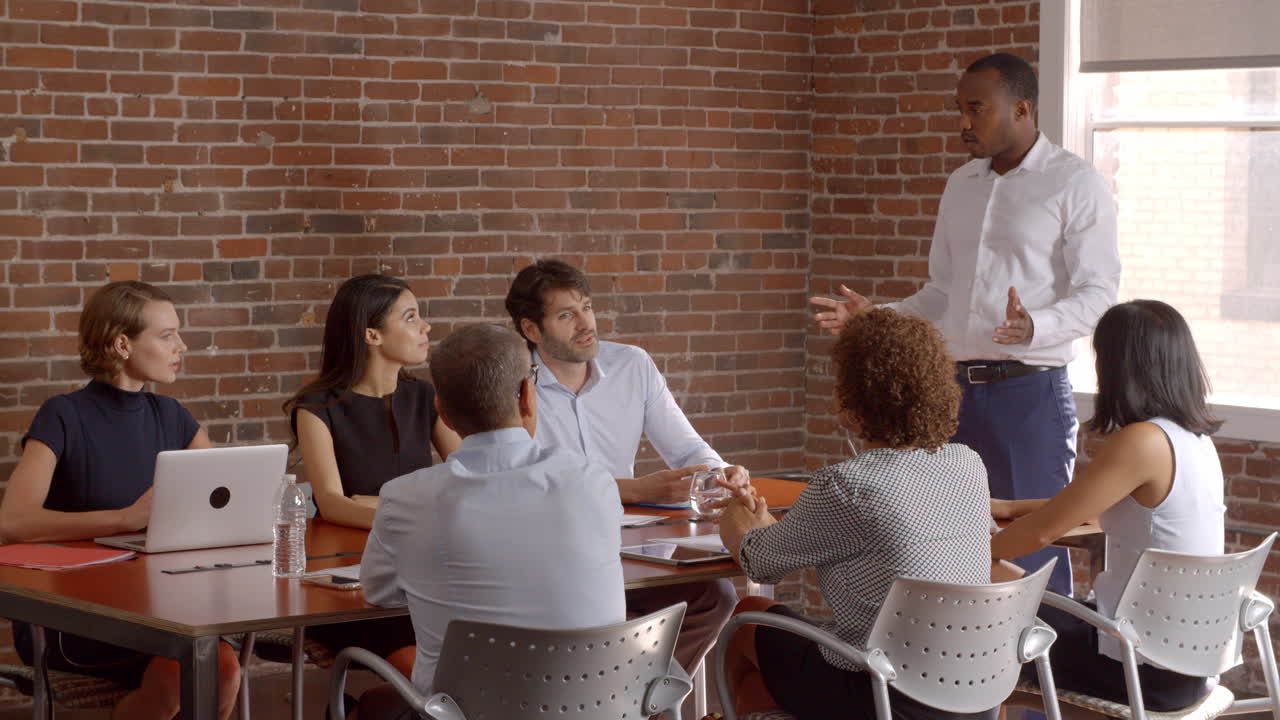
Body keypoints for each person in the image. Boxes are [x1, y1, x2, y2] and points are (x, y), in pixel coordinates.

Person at [811, 52, 1121, 594]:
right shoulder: (961, 185)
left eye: (976, 109)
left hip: (1028, 397)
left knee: (1034, 555)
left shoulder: (1075, 183)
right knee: (948, 548)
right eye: (960, 108)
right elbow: (942, 294)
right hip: (950, 395)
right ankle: (957, 651)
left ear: (1021, 109)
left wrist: (1035, 326)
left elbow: (1100, 295)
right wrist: (875, 316)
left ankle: (1043, 650)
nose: (963, 122)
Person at [716, 308, 994, 720]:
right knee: (771, 671)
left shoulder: (847, 485)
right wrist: (766, 529)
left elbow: (758, 563)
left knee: (747, 617)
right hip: (974, 693)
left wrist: (735, 517)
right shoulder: (967, 463)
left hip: (884, 696)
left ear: (852, 400)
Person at [0, 281, 241, 720]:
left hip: (163, 605)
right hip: (75, 614)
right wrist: (125, 519)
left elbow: (226, 502)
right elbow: (12, 522)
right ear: (122, 344)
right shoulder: (63, 415)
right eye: (166, 335)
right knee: (187, 666)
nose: (181, 346)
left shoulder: (173, 416)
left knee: (223, 668)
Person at [358, 323, 626, 712]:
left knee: (371, 706)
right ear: (528, 395)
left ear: (442, 411)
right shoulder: (592, 480)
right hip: (599, 707)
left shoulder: (406, 498)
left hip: (465, 711)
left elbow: (378, 592)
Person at [504, 258, 746, 672]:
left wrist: (718, 472)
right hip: (554, 561)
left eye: (587, 307)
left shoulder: (632, 365)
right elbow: (526, 482)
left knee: (715, 596)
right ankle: (622, 693)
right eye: (566, 315)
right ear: (531, 329)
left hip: (633, 554)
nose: (586, 324)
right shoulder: (513, 384)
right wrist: (637, 489)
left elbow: (687, 449)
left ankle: (642, 698)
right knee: (604, 619)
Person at [994, 300, 1224, 711]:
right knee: (1011, 591)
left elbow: (1044, 532)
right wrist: (1011, 508)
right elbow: (1091, 507)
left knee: (981, 601)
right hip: (1187, 663)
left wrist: (968, 552)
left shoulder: (1142, 440)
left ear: (1120, 367)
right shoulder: (1193, 440)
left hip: (1140, 669)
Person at [282, 274, 460, 678]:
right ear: (372, 335)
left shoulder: (424, 397)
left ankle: (368, 706)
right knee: (426, 671)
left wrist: (372, 503)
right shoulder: (317, 406)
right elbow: (331, 503)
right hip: (350, 583)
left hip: (420, 568)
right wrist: (411, 511)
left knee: (454, 664)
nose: (426, 327)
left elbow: (470, 478)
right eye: (410, 317)